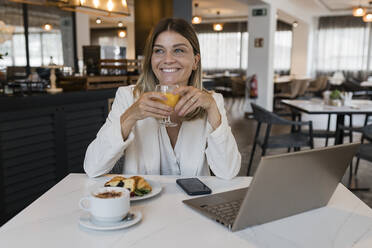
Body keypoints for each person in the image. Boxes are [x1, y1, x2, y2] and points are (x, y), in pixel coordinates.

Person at [84, 18, 241, 179]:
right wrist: (131, 115)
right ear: (151, 59)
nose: (167, 59)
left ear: (195, 61)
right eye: (159, 50)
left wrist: (213, 111)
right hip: (141, 204)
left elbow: (228, 172)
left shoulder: (212, 101)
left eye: (178, 50)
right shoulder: (128, 97)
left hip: (193, 202)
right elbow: (93, 167)